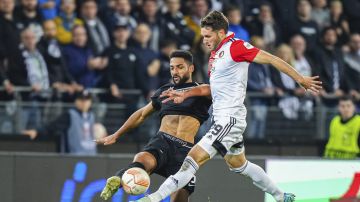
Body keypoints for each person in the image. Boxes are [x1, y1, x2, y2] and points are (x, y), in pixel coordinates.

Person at [136, 10, 322, 202]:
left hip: (229, 119)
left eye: (208, 36)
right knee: (238, 164)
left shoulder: (237, 47)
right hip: (223, 118)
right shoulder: (215, 55)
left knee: (191, 160)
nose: (204, 40)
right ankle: (282, 196)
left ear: (221, 33)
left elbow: (271, 59)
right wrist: (186, 93)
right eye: (203, 36)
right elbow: (213, 88)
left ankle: (153, 199)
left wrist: (300, 78)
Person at [95, 50, 212, 201]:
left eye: (180, 67)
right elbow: (142, 114)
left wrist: (185, 94)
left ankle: (122, 176)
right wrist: (116, 134)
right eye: (172, 68)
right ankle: (118, 178)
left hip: (185, 151)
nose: (174, 71)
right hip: (163, 141)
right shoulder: (164, 91)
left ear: (191, 68)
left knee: (181, 197)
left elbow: (207, 89)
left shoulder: (201, 90)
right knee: (143, 160)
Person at [22, 90, 101, 154]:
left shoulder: (92, 116)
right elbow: (53, 126)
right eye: (81, 100)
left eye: (87, 100)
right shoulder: (70, 115)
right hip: (75, 156)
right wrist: (37, 132)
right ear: (76, 101)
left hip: (91, 155)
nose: (84, 103)